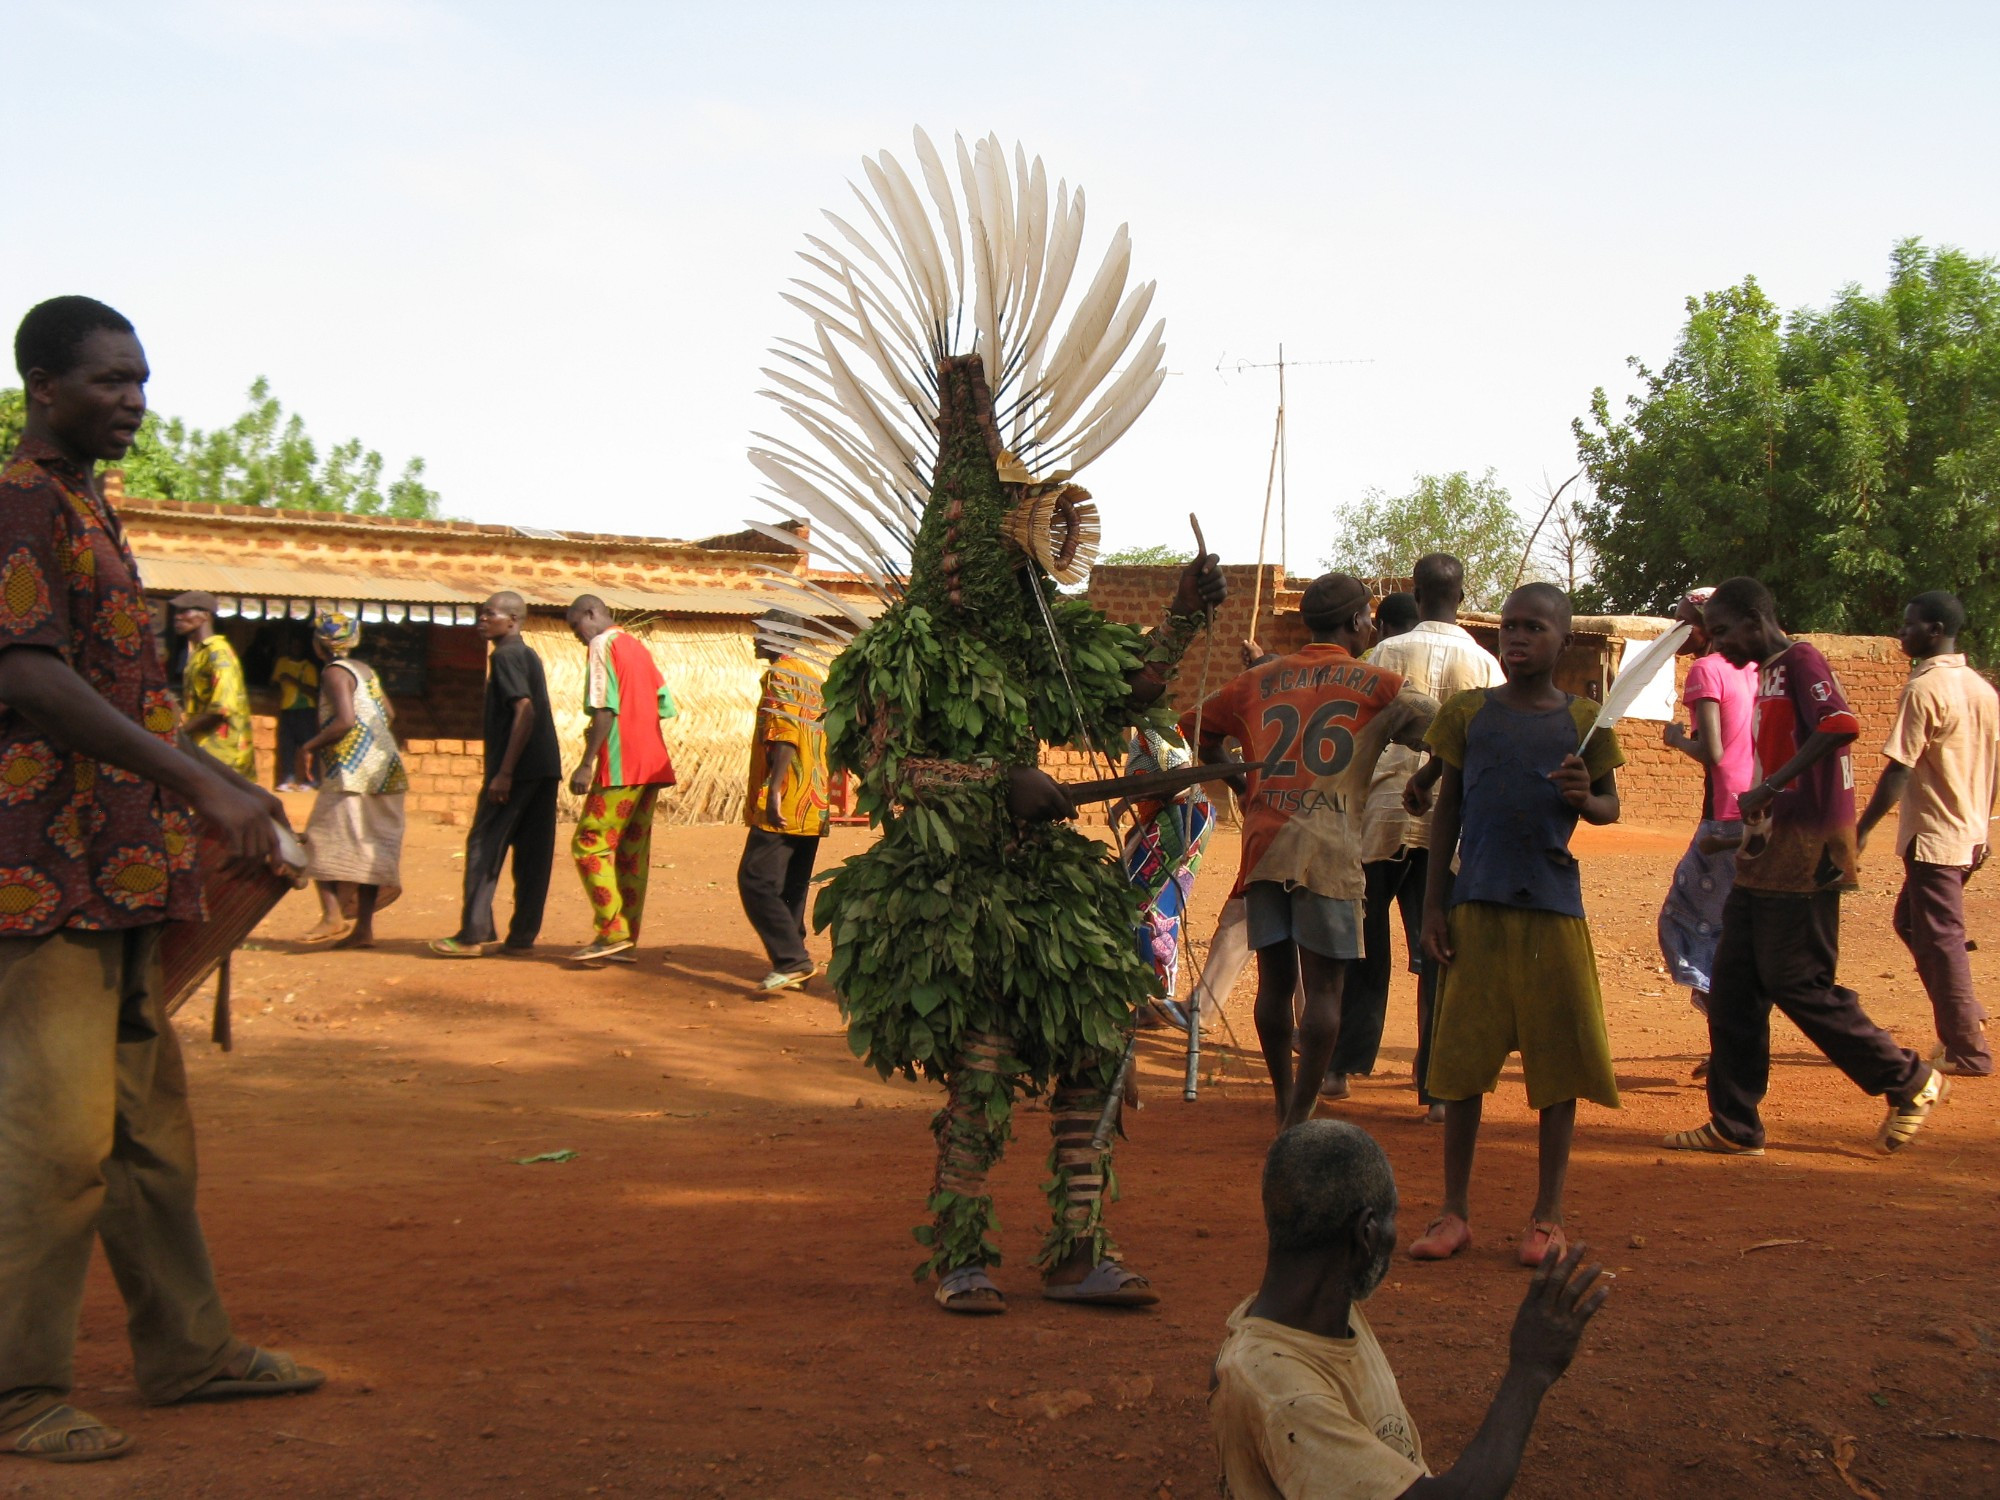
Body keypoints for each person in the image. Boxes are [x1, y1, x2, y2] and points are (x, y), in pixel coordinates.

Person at [0, 295, 322, 1465]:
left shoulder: (91, 511)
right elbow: (31, 679)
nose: (134, 400)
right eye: (108, 381)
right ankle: (17, 1393)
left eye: (140, 379)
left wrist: (222, 786)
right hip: (42, 873)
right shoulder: (19, 504)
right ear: (40, 384)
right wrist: (198, 789)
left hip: (121, 869)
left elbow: (124, 700)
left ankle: (188, 1353)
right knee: (55, 1141)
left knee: (148, 1133)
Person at [1664, 576, 1947, 1157]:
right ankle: (1735, 1125)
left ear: (1752, 618)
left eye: (1721, 632)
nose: (1716, 646)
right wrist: (1751, 823)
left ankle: (1907, 1080)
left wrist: (1768, 785)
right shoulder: (1768, 671)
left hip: (1809, 852)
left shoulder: (1799, 660)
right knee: (1735, 986)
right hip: (1768, 852)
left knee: (1798, 983)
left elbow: (1839, 724)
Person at [1210, 1120, 1610, 1500]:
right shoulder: (1281, 1393)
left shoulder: (1323, 1310)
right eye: (1392, 1218)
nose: (1396, 1235)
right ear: (1366, 1234)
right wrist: (1530, 1370)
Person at [1405, 583, 1623, 1268]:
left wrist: (1586, 797)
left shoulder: (1586, 722)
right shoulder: (1469, 713)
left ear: (1564, 641)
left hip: (1554, 910)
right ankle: (1453, 1211)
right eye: (1509, 628)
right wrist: (1434, 905)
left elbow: (1609, 809)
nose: (1517, 639)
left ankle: (1548, 1216)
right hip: (1477, 905)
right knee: (1461, 1065)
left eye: (1533, 629)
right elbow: (1447, 814)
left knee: (1558, 1067)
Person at [1187, 573, 1438, 1131]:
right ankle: (1301, 1114)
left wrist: (1242, 785)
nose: (1371, 626)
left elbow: (1198, 730)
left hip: (1264, 842)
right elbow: (1447, 733)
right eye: (1368, 619)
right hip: (1329, 844)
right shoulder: (1381, 685)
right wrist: (1427, 778)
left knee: (1275, 985)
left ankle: (1283, 1105)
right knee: (1325, 990)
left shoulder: (1258, 680)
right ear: (1355, 623)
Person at [1342, 555, 1504, 1119]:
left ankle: (1341, 1066)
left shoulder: (1383, 654)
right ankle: (1435, 1091)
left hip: (1378, 812)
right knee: (1438, 949)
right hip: (1449, 820)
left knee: (1363, 941)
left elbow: (1354, 729)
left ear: (1415, 591)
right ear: (1462, 593)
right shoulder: (1487, 666)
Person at [1856, 590, 1997, 1077]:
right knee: (1916, 925)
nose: (1901, 632)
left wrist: (1862, 828)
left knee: (1939, 939)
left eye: (1909, 624)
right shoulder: (1981, 688)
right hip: (1969, 833)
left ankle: (1967, 1049)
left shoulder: (1924, 689)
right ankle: (1966, 1016)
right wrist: (1982, 828)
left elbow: (1898, 769)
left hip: (1937, 837)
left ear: (1934, 631)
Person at [1656, 588, 1759, 1079]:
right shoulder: (1754, 667)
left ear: (1704, 625)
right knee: (1732, 929)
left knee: (1684, 922)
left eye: (1683, 621)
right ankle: (1730, 1040)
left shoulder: (1706, 670)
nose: (1678, 630)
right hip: (1758, 809)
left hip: (1725, 813)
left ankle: (1730, 1032)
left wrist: (1678, 740)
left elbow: (1714, 753)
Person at [431, 592, 561, 959]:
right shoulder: (527, 654)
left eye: (490, 614)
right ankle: (522, 936)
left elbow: (524, 711)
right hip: (544, 767)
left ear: (513, 620)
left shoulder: (506, 656)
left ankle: (474, 934)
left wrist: (504, 772)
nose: (482, 620)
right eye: (481, 613)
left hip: (517, 770)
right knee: (534, 854)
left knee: (483, 846)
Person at [565, 594, 677, 963]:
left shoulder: (602, 645)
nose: (578, 636)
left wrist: (586, 762)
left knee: (589, 843)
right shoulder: (637, 647)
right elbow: (664, 704)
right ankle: (626, 937)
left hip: (620, 765)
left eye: (576, 626)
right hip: (652, 763)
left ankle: (611, 930)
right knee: (631, 852)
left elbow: (604, 708)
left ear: (592, 614)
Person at [295, 610, 407, 949]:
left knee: (319, 838)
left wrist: (307, 748)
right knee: (369, 846)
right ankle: (363, 930)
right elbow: (388, 713)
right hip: (385, 768)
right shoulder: (364, 670)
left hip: (351, 770)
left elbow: (344, 720)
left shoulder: (333, 671)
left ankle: (332, 917)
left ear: (319, 643)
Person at [737, 619, 830, 993]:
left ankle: (792, 960)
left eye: (761, 631)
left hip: (788, 794)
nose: (755, 638)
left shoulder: (780, 673)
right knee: (791, 883)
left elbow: (785, 733)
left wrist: (774, 789)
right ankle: (795, 959)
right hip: (812, 797)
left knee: (756, 879)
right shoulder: (810, 675)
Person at [1121, 725, 1215, 1026]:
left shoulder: (1155, 729)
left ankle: (1152, 999)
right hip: (1173, 818)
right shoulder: (1144, 734)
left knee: (1140, 904)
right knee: (1155, 907)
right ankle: (1153, 997)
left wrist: (1132, 797)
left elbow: (1183, 778)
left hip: (1182, 818)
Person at [171, 590, 255, 777]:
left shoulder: (218, 654)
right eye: (177, 612)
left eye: (185, 611)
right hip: (202, 752)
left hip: (222, 757)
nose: (177, 617)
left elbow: (221, 709)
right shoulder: (198, 654)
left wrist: (179, 734)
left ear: (205, 616)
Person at [272, 625, 320, 791]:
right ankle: (288, 779)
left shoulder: (309, 667)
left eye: (298, 646)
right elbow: (274, 685)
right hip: (287, 709)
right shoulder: (282, 663)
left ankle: (311, 780)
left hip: (306, 710)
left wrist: (294, 681)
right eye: (293, 646)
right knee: (287, 746)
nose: (295, 649)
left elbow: (313, 691)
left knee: (309, 746)